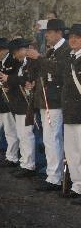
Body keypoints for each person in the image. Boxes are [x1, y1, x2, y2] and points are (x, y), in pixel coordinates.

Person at [26, 19, 69, 191]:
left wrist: (40, 58)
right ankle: (53, 175)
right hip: (46, 100)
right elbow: (41, 72)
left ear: (59, 32)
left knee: (53, 139)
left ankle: (55, 177)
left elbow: (60, 70)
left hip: (55, 101)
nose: (46, 35)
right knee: (49, 139)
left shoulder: (65, 50)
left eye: (49, 32)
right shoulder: (52, 50)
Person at [0, 38, 37, 177]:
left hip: (28, 104)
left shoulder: (32, 63)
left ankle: (28, 165)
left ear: (24, 49)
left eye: (16, 52)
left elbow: (27, 80)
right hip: (19, 104)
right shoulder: (20, 64)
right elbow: (20, 82)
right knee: (22, 134)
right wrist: (9, 86)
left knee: (26, 135)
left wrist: (9, 79)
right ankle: (24, 162)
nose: (14, 56)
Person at [56, 23, 81, 204]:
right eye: (71, 36)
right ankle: (77, 186)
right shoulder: (70, 57)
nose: (73, 39)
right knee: (72, 153)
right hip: (70, 112)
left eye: (78, 37)